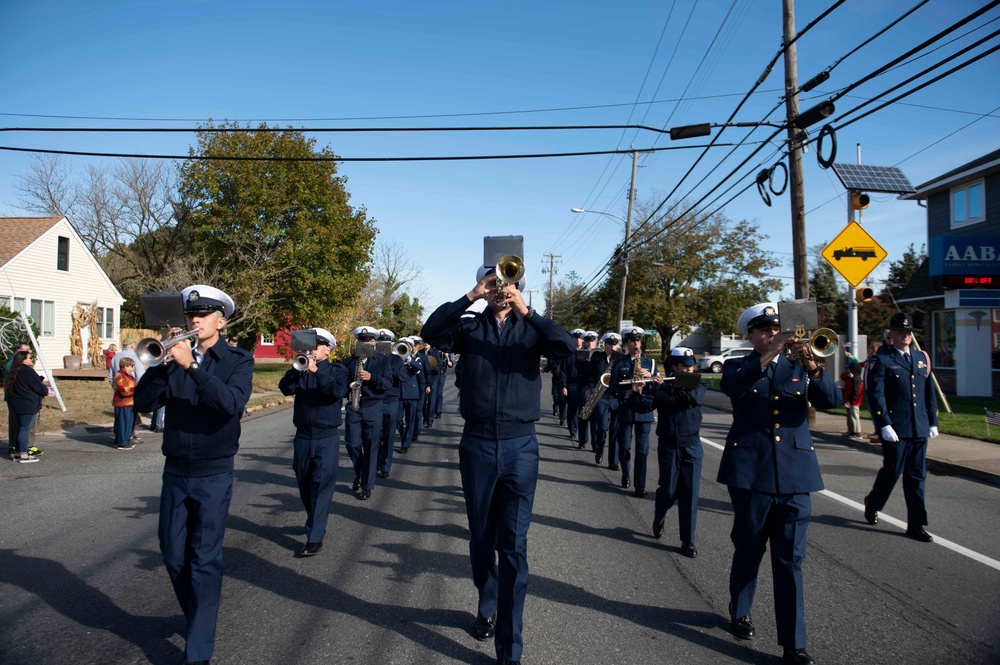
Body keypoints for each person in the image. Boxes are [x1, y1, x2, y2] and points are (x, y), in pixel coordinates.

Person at [422, 262, 575, 665]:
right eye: (494, 284)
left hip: (521, 446)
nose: (499, 289)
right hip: (476, 444)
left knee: (513, 546)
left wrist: (527, 311)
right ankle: (486, 603)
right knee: (480, 539)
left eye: (506, 283)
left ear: (519, 287)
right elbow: (431, 333)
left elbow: (567, 347)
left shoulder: (532, 330)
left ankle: (509, 648)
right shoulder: (470, 328)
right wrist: (471, 296)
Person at [134, 284, 254, 665]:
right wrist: (159, 366)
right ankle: (200, 616)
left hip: (214, 472)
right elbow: (143, 403)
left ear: (220, 320)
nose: (195, 320)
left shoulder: (237, 360)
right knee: (173, 556)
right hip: (175, 472)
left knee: (204, 559)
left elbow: (231, 403)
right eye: (191, 315)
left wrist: (193, 366)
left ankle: (198, 648)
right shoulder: (172, 359)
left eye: (203, 315)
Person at [717, 303, 840, 665]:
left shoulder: (799, 366)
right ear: (750, 335)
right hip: (751, 474)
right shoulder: (738, 365)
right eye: (765, 330)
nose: (773, 334)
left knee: (791, 560)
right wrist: (771, 352)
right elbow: (734, 387)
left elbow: (832, 400)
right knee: (750, 547)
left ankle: (794, 644)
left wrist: (813, 365)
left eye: (776, 329)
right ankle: (740, 610)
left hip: (795, 475)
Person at [862, 312, 938, 543]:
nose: (905, 336)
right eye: (900, 332)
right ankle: (873, 502)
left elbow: (928, 391)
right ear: (891, 334)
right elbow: (876, 394)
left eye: (908, 332)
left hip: (918, 427)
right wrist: (883, 423)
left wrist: (933, 420)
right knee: (893, 470)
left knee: (917, 476)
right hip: (896, 427)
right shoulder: (881, 360)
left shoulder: (920, 357)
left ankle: (915, 524)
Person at [277, 327, 348, 557]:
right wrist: (295, 369)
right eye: (309, 346)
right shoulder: (301, 369)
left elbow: (335, 391)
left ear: (328, 349)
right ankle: (315, 520)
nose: (312, 351)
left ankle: (315, 536)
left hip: (326, 436)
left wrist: (316, 370)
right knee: (305, 484)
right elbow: (285, 389)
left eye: (317, 346)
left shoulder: (338, 370)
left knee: (321, 485)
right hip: (303, 436)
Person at [645, 347, 706, 558]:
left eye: (691, 366)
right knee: (669, 490)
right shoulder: (660, 387)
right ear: (674, 367)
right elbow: (645, 407)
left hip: (692, 445)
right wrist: (636, 393)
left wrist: (671, 387)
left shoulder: (698, 383)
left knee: (690, 493)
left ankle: (687, 540)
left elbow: (693, 399)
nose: (689, 370)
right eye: (684, 367)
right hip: (669, 444)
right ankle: (659, 515)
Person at [343, 326, 392, 500]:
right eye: (363, 340)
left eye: (370, 340)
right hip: (354, 406)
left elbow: (387, 384)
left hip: (373, 406)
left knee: (371, 447)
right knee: (352, 444)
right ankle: (361, 473)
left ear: (374, 342)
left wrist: (372, 377)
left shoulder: (382, 361)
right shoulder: (350, 361)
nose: (366, 343)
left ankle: (366, 485)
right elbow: (342, 385)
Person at [610, 326, 658, 496]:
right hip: (627, 409)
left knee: (643, 450)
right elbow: (612, 388)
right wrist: (626, 392)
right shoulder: (619, 363)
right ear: (626, 343)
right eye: (632, 341)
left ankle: (640, 485)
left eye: (637, 341)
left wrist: (651, 378)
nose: (635, 344)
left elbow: (657, 388)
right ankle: (625, 473)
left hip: (644, 411)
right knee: (624, 447)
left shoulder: (650, 364)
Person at [583, 332, 622, 467]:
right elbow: (588, 375)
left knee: (616, 430)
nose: (612, 347)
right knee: (603, 427)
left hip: (617, 397)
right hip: (601, 396)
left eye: (615, 344)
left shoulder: (622, 359)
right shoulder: (597, 358)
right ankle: (599, 449)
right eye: (609, 344)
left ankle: (614, 461)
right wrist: (589, 388)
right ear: (604, 345)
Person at [4, 350, 48, 463]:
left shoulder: (14, 371)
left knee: (19, 428)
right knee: (24, 429)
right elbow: (39, 387)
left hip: (16, 403)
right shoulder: (27, 371)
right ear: (23, 360)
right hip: (27, 404)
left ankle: (18, 452)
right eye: (28, 358)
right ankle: (24, 454)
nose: (30, 360)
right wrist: (45, 389)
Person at [376, 328, 406, 478]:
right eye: (380, 342)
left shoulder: (396, 360)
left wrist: (387, 362)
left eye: (385, 343)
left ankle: (385, 465)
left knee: (388, 436)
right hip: (375, 401)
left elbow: (403, 377)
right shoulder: (372, 358)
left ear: (391, 344)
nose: (382, 345)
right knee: (374, 435)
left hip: (391, 401)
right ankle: (375, 461)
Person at [112, 357, 138, 450]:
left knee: (128, 423)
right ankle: (122, 443)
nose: (132, 368)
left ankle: (123, 439)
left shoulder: (128, 376)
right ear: (125, 366)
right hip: (122, 404)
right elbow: (124, 391)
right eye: (131, 366)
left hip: (129, 404)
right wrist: (137, 390)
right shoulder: (120, 376)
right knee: (123, 423)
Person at [840, 347, 865, 442]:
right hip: (850, 400)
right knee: (850, 416)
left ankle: (857, 432)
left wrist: (850, 401)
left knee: (854, 416)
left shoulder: (857, 380)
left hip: (853, 401)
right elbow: (842, 376)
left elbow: (856, 392)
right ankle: (851, 431)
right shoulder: (851, 378)